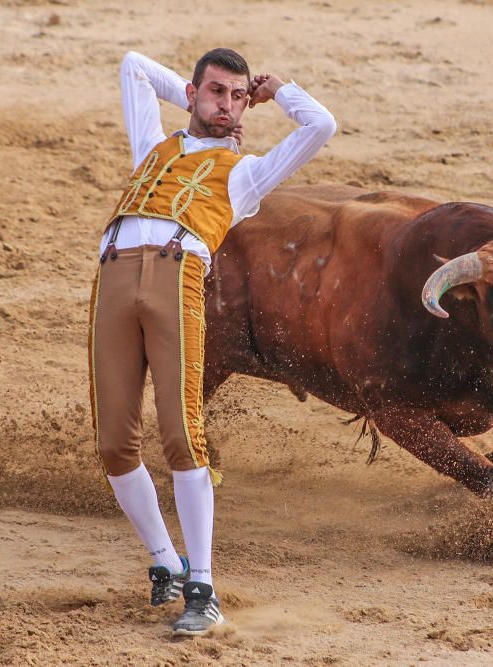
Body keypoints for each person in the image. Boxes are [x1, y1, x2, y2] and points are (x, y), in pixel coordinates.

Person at [88, 48, 335, 636]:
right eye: (216, 92)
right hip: (113, 279)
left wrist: (278, 91)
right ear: (195, 92)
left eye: (236, 96)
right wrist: (195, 96)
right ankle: (164, 562)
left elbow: (320, 125)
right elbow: (133, 66)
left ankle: (203, 584)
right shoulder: (152, 144)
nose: (227, 105)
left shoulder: (246, 174)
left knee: (181, 435)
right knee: (113, 444)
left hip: (178, 279)